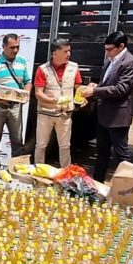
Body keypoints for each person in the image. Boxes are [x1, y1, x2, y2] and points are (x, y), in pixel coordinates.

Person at [81, 31, 133, 182]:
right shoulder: (110, 61)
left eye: (110, 49)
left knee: (121, 154)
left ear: (121, 46)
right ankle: (97, 183)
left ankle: (129, 186)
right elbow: (107, 83)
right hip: (104, 115)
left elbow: (121, 89)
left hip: (118, 117)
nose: (107, 53)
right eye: (105, 49)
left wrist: (95, 91)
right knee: (102, 151)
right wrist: (97, 86)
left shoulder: (130, 62)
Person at [0, 33, 31, 167]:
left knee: (17, 140)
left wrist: (26, 94)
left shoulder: (22, 62)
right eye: (12, 47)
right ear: (3, 46)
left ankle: (16, 168)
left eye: (17, 47)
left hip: (15, 106)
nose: (15, 50)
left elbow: (28, 81)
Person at [33, 38, 82, 168]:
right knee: (41, 145)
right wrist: (52, 101)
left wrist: (83, 97)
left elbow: (78, 88)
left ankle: (65, 173)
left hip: (65, 114)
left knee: (65, 146)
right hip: (45, 113)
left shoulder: (74, 67)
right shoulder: (43, 69)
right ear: (55, 53)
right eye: (65, 51)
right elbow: (38, 93)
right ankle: (38, 170)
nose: (69, 54)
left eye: (69, 51)